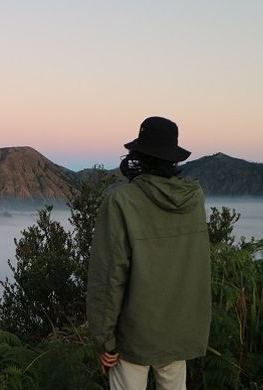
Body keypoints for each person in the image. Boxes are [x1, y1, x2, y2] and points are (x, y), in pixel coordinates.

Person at [87, 116, 211, 390]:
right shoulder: (194, 199)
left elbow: (109, 277)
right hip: (180, 330)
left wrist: (103, 339)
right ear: (172, 159)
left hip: (133, 336)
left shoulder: (121, 200)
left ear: (138, 156)